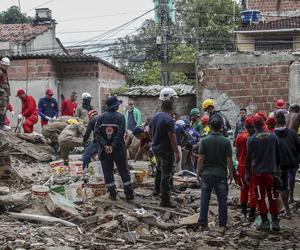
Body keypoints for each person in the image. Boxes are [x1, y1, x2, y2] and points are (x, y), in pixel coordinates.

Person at [94, 96, 134, 201]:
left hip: (104, 150)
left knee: (107, 171)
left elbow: (96, 134)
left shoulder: (100, 117)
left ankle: (112, 193)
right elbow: (120, 133)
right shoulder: (121, 117)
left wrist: (105, 145)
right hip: (119, 149)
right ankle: (129, 193)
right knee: (123, 170)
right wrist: (113, 145)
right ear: (116, 106)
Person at [246, 113, 280, 231]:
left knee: (260, 197)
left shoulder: (251, 140)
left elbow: (248, 159)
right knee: (273, 196)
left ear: (254, 126)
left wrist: (247, 173)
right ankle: (275, 222)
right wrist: (278, 171)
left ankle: (265, 222)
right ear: (263, 124)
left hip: (258, 173)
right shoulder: (273, 137)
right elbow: (278, 155)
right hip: (271, 172)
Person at [197, 118, 233, 231]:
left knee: (204, 199)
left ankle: (203, 223)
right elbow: (229, 159)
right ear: (221, 127)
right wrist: (231, 173)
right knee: (222, 200)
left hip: (207, 174)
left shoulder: (205, 141)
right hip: (221, 175)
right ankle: (222, 224)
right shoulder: (226, 141)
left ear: (210, 127)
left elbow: (200, 158)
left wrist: (199, 172)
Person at [149, 87, 180, 208]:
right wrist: (176, 152)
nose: (174, 102)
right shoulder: (169, 119)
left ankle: (156, 190)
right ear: (169, 100)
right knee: (166, 174)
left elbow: (149, 132)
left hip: (156, 148)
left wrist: (154, 142)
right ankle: (165, 200)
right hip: (166, 150)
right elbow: (172, 137)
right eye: (173, 99)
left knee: (159, 169)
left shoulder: (155, 117)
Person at [274, 112, 300, 218]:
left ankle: (287, 211)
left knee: (283, 187)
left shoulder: (273, 135)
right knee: (291, 178)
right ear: (285, 122)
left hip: (281, 165)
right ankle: (291, 197)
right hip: (292, 162)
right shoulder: (292, 133)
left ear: (276, 123)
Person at [235, 116, 256, 221]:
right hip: (254, 167)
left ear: (245, 125)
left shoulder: (240, 137)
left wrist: (240, 161)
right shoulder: (257, 137)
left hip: (242, 166)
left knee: (243, 189)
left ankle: (243, 211)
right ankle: (252, 214)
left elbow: (237, 154)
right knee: (253, 190)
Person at [286, 103, 300, 202]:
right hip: (293, 140)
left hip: (284, 139)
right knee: (292, 171)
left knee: (285, 170)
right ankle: (290, 197)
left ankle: (285, 195)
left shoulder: (287, 115)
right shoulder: (298, 115)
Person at [0, 57, 11, 131]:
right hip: (1, 95)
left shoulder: (4, 72)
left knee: (4, 109)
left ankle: (2, 124)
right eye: (5, 66)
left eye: (7, 66)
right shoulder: (0, 72)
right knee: (1, 110)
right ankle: (1, 125)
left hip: (5, 94)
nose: (6, 67)